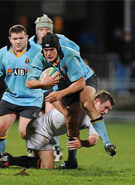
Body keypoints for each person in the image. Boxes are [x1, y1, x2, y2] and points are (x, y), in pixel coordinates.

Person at [26, 33, 113, 164]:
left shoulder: (70, 56)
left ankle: (107, 143)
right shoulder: (40, 58)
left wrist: (60, 94)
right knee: (71, 118)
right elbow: (29, 83)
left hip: (85, 78)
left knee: (86, 103)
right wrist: (43, 83)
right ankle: (72, 160)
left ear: (58, 48)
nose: (48, 53)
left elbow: (80, 83)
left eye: (51, 50)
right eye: (45, 50)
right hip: (64, 83)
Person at [0, 90, 116, 169]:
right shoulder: (77, 104)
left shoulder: (95, 119)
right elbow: (53, 97)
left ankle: (7, 159)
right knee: (47, 167)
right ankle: (9, 160)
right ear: (96, 101)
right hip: (40, 129)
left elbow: (93, 139)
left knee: (37, 161)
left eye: (108, 110)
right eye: (105, 107)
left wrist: (81, 143)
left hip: (46, 133)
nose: (105, 112)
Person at [0, 25, 43, 166]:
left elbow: (49, 70)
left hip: (32, 98)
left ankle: (40, 154)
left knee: (24, 132)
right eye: (15, 38)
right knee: (0, 129)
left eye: (21, 38)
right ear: (10, 39)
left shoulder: (38, 52)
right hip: (10, 97)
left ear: (27, 38)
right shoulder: (3, 53)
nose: (18, 41)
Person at [29, 14, 81, 161]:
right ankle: (35, 150)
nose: (44, 32)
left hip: (54, 87)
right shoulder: (28, 44)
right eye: (41, 29)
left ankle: (57, 149)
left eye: (47, 29)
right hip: (34, 88)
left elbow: (76, 50)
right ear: (36, 31)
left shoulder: (61, 40)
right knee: (33, 121)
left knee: (51, 117)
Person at [117, 32, 135, 96]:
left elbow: (133, 54)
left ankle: (126, 90)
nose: (127, 38)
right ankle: (121, 90)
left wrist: (133, 61)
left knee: (127, 77)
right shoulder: (122, 44)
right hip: (122, 62)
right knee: (121, 77)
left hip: (129, 63)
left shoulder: (132, 44)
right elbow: (120, 53)